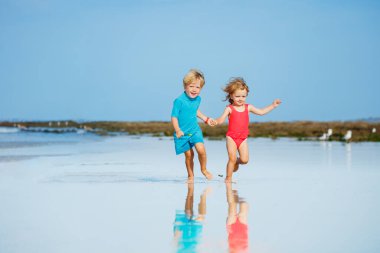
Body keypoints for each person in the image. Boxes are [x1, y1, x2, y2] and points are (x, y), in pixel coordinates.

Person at [215, 77, 281, 183]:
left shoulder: (248, 107)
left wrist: (273, 105)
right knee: (231, 158)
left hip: (243, 138)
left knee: (245, 160)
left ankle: (236, 161)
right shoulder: (229, 108)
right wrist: (215, 122)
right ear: (231, 96)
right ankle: (228, 178)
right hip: (231, 137)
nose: (240, 99)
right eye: (237, 96)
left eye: (243, 96)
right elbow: (221, 119)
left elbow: (261, 112)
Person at [171, 69, 215, 182]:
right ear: (185, 86)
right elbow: (174, 117)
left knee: (201, 150)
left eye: (198, 87)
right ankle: (190, 175)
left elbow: (195, 111)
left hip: (195, 130)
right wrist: (177, 130)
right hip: (182, 133)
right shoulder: (179, 101)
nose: (194, 90)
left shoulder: (198, 99)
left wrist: (206, 119)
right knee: (189, 155)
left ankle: (204, 169)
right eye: (191, 86)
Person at [173, 184, 212, 252]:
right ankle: (203, 196)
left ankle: (191, 190)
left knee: (188, 213)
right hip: (192, 236)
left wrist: (176, 234)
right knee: (198, 217)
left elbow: (176, 242)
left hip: (184, 233)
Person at [226, 183, 249, 253]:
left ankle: (230, 189)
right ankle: (236, 196)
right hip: (242, 229)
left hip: (232, 229)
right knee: (244, 204)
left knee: (232, 207)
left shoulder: (231, 250)